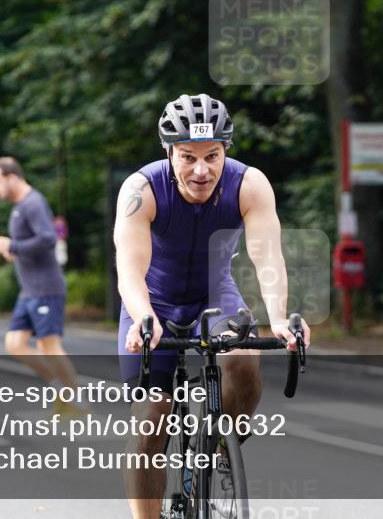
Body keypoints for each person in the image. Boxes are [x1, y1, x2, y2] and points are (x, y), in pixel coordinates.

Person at [113, 94, 311, 519]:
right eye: (188, 157)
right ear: (169, 152)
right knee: (152, 418)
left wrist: (279, 316)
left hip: (215, 297)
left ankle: (218, 443)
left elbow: (268, 257)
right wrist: (144, 316)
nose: (201, 170)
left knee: (242, 358)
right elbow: (130, 268)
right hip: (154, 301)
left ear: (225, 150)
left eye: (212, 156)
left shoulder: (249, 184)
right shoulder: (141, 189)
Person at [0, 156, 86, 415]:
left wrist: (12, 246)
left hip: (45, 288)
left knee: (49, 346)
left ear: (11, 177)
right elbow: (32, 244)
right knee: (14, 343)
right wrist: (14, 250)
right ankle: (61, 390)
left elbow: (47, 238)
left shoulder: (33, 203)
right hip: (29, 290)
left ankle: (76, 401)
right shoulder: (20, 206)